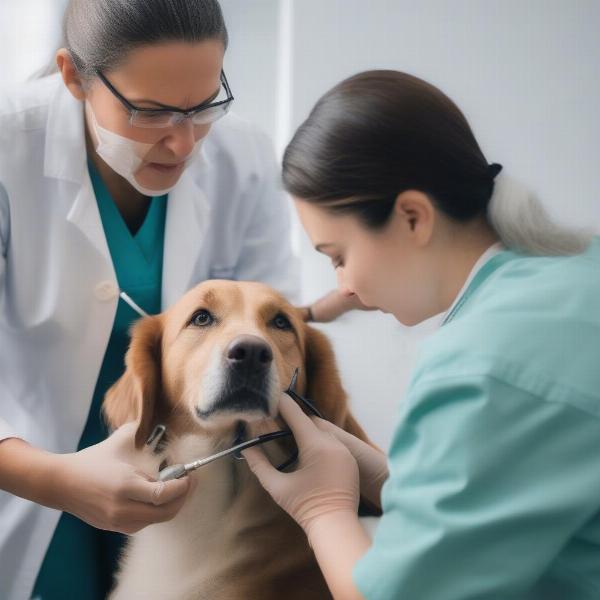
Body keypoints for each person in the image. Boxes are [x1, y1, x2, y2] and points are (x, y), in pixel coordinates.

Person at [0, 1, 355, 598]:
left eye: (204, 104)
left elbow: (267, 335)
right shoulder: (10, 151)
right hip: (27, 472)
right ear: (73, 77)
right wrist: (55, 479)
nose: (184, 142)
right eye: (150, 111)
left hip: (202, 484)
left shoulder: (241, 158)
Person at [242, 70, 600, 600]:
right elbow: (510, 488)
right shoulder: (575, 275)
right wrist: (386, 478)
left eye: (338, 257)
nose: (345, 287)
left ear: (413, 217)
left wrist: (323, 509)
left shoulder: (481, 364)